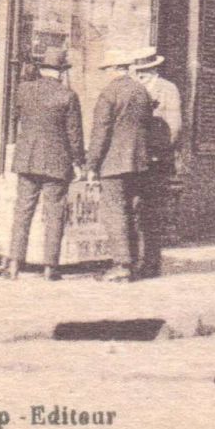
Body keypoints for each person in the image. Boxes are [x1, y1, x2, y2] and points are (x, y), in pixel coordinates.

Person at [0, 48, 85, 281]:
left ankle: (14, 264)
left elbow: (16, 119)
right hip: (57, 162)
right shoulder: (68, 96)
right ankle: (50, 268)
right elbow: (74, 134)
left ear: (42, 68)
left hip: (27, 159)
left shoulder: (24, 91)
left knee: (22, 212)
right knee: (54, 214)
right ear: (61, 72)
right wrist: (79, 162)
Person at [87, 48, 157, 282]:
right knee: (133, 211)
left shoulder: (110, 93)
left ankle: (121, 265)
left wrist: (92, 165)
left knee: (114, 213)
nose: (105, 74)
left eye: (106, 69)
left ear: (115, 69)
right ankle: (136, 262)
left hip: (114, 163)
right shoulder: (142, 92)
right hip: (139, 162)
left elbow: (101, 132)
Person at [128, 47, 180, 278]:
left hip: (157, 159)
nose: (142, 76)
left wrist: (160, 149)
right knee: (135, 210)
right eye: (139, 72)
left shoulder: (168, 89)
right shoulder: (136, 89)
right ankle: (136, 259)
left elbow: (175, 125)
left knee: (152, 212)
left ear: (154, 70)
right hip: (136, 158)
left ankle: (151, 262)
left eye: (146, 72)